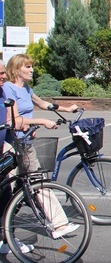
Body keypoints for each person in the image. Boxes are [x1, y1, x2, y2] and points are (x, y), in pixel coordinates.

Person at [3, 54, 80, 239]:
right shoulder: (8, 89)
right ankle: (7, 235)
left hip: (25, 143)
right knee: (17, 189)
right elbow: (14, 120)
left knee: (35, 183)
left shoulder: (26, 89)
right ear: (16, 69)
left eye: (32, 67)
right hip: (12, 146)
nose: (32, 70)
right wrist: (41, 122)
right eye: (27, 67)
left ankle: (59, 224)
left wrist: (66, 109)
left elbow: (43, 103)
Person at [0, 61, 34, 254]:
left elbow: (11, 120)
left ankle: (6, 241)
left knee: (5, 196)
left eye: (4, 73)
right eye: (0, 73)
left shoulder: (3, 92)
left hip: (2, 152)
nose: (3, 77)